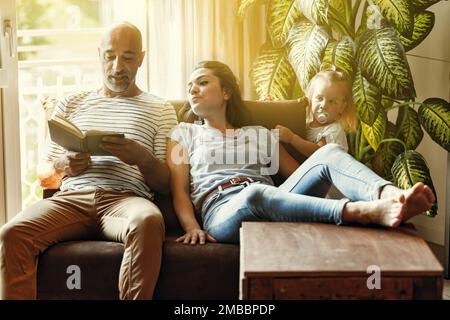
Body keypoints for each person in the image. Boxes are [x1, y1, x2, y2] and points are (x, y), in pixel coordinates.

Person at [167, 60, 435, 245]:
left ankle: (392, 196)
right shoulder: (184, 133)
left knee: (327, 152)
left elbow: (302, 175)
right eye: (190, 86)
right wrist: (193, 228)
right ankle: (361, 212)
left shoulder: (259, 133)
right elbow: (179, 191)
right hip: (223, 210)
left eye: (202, 82)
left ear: (226, 92)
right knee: (255, 193)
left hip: (273, 199)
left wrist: (322, 166)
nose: (192, 89)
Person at [0, 22, 178, 300]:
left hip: (125, 200)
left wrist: (141, 158)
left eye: (128, 57)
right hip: (72, 199)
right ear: (99, 55)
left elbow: (167, 185)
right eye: (110, 56)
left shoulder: (160, 108)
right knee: (12, 233)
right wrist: (63, 166)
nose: (117, 66)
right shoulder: (71, 103)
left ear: (141, 59)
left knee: (147, 220)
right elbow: (44, 175)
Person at [275, 67, 357, 156]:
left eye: (332, 101)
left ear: (342, 107)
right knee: (271, 144)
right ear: (310, 98)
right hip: (303, 165)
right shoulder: (306, 121)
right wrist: (270, 104)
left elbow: (318, 153)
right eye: (320, 98)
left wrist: (292, 138)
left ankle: (292, 170)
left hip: (322, 169)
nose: (324, 105)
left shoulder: (333, 129)